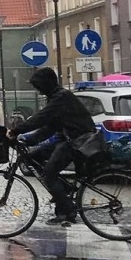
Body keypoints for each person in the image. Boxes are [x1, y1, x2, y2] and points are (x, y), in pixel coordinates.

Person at [8, 67, 96, 224]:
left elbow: (42, 118)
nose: (37, 90)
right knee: (32, 157)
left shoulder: (61, 97)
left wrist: (16, 130)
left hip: (78, 141)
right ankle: (64, 192)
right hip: (68, 138)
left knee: (49, 174)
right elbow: (50, 127)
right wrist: (29, 141)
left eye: (38, 86)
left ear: (45, 84)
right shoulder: (56, 97)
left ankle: (66, 210)